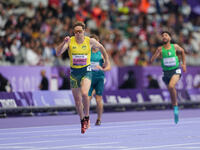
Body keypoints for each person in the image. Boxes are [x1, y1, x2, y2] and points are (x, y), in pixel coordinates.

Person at [56, 21, 110, 134]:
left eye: (80, 31)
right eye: (75, 32)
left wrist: (107, 60)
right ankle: (82, 120)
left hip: (86, 71)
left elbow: (102, 48)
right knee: (77, 101)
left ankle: (87, 116)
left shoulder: (90, 41)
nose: (78, 34)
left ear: (84, 31)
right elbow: (58, 53)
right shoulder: (70, 41)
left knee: (85, 93)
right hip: (74, 74)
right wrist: (63, 43)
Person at [150, 31, 186, 124]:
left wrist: (183, 64)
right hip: (166, 73)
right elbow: (152, 60)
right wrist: (156, 55)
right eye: (162, 36)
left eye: (166, 35)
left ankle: (175, 106)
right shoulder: (160, 49)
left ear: (170, 38)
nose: (164, 37)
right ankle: (175, 107)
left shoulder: (175, 46)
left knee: (171, 86)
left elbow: (182, 51)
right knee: (171, 91)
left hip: (176, 71)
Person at [88, 34, 111, 126]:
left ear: (98, 42)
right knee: (87, 98)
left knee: (98, 99)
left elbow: (109, 66)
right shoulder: (87, 52)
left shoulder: (101, 53)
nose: (93, 43)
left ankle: (99, 119)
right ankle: (86, 118)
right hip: (89, 78)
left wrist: (103, 69)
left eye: (95, 41)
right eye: (92, 42)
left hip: (99, 78)